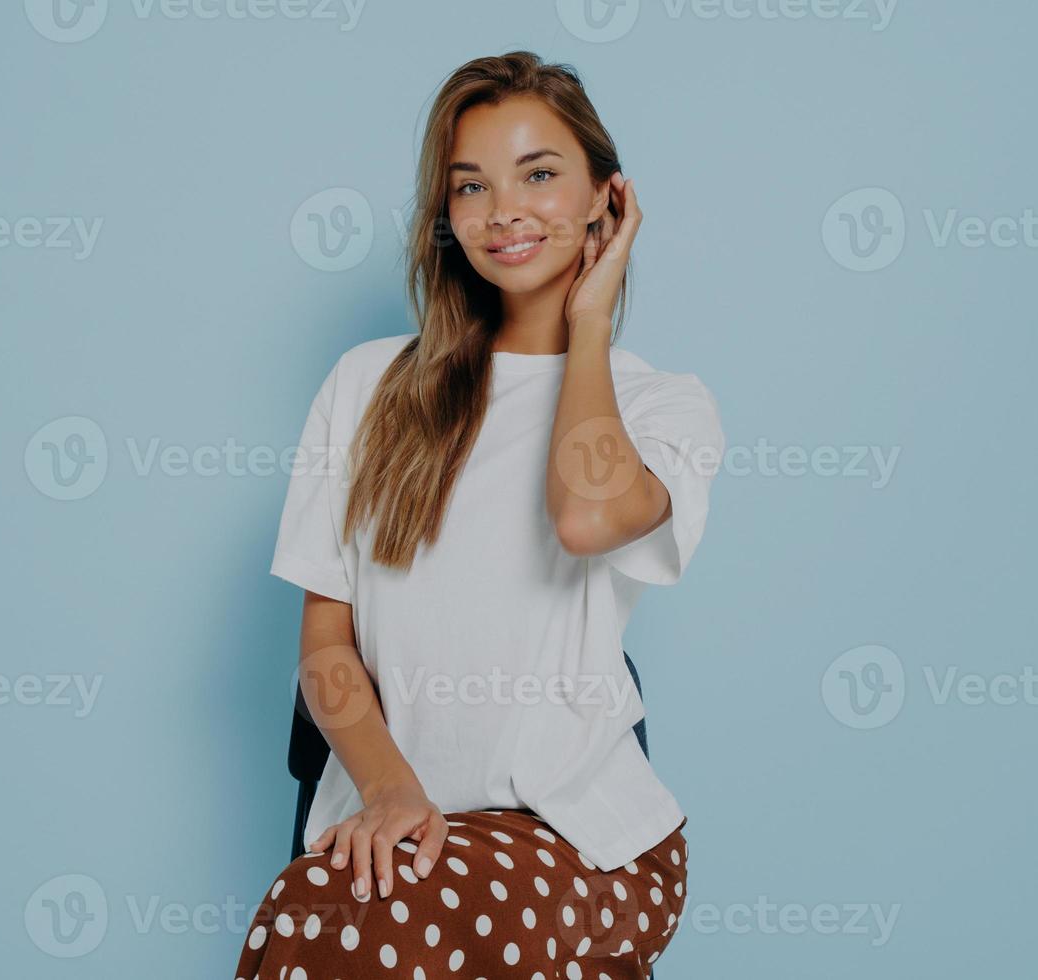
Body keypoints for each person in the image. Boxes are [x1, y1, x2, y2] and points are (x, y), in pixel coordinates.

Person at [235, 50, 725, 980]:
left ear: (603, 199)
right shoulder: (368, 385)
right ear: (446, 216)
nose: (503, 211)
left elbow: (584, 518)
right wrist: (389, 791)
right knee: (312, 911)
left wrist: (587, 322)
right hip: (391, 821)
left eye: (539, 174)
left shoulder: (660, 405)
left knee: (384, 921)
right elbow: (325, 647)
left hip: (581, 838)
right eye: (471, 187)